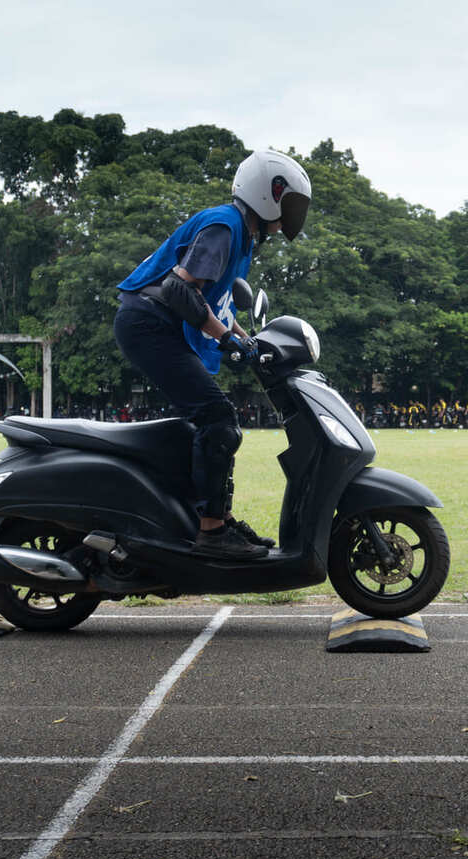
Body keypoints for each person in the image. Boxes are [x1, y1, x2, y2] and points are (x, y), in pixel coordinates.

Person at [113, 149, 312, 559]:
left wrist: (245, 338)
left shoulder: (241, 236)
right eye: (288, 202)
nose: (289, 216)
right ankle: (212, 533)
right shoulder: (225, 225)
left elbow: (215, 304)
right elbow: (179, 290)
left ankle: (211, 518)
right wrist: (226, 339)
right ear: (269, 192)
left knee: (209, 426)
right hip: (147, 323)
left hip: (155, 325)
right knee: (219, 421)